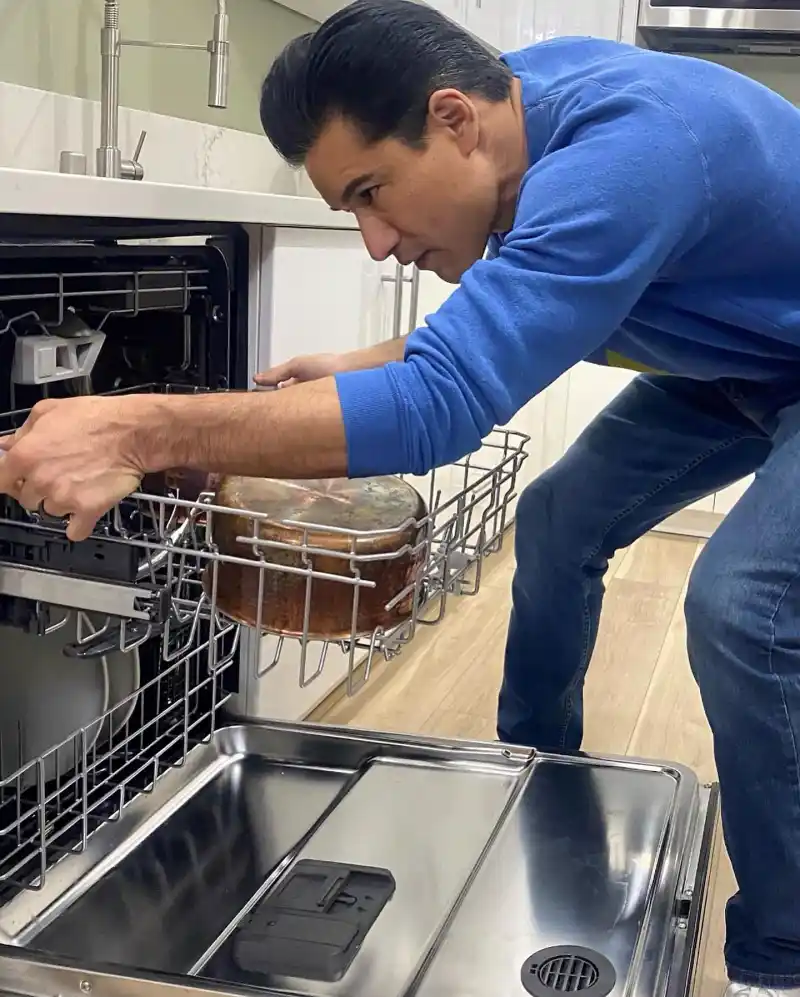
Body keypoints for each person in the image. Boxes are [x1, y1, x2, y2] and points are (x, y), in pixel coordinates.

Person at [2, 0, 800, 987]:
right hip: (741, 365)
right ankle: (538, 777)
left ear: (453, 119)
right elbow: (531, 298)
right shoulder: (519, 111)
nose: (376, 244)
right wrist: (375, 360)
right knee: (557, 519)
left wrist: (135, 425)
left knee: (745, 603)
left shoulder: (628, 150)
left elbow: (444, 405)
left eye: (372, 193)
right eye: (350, 211)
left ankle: (780, 955)